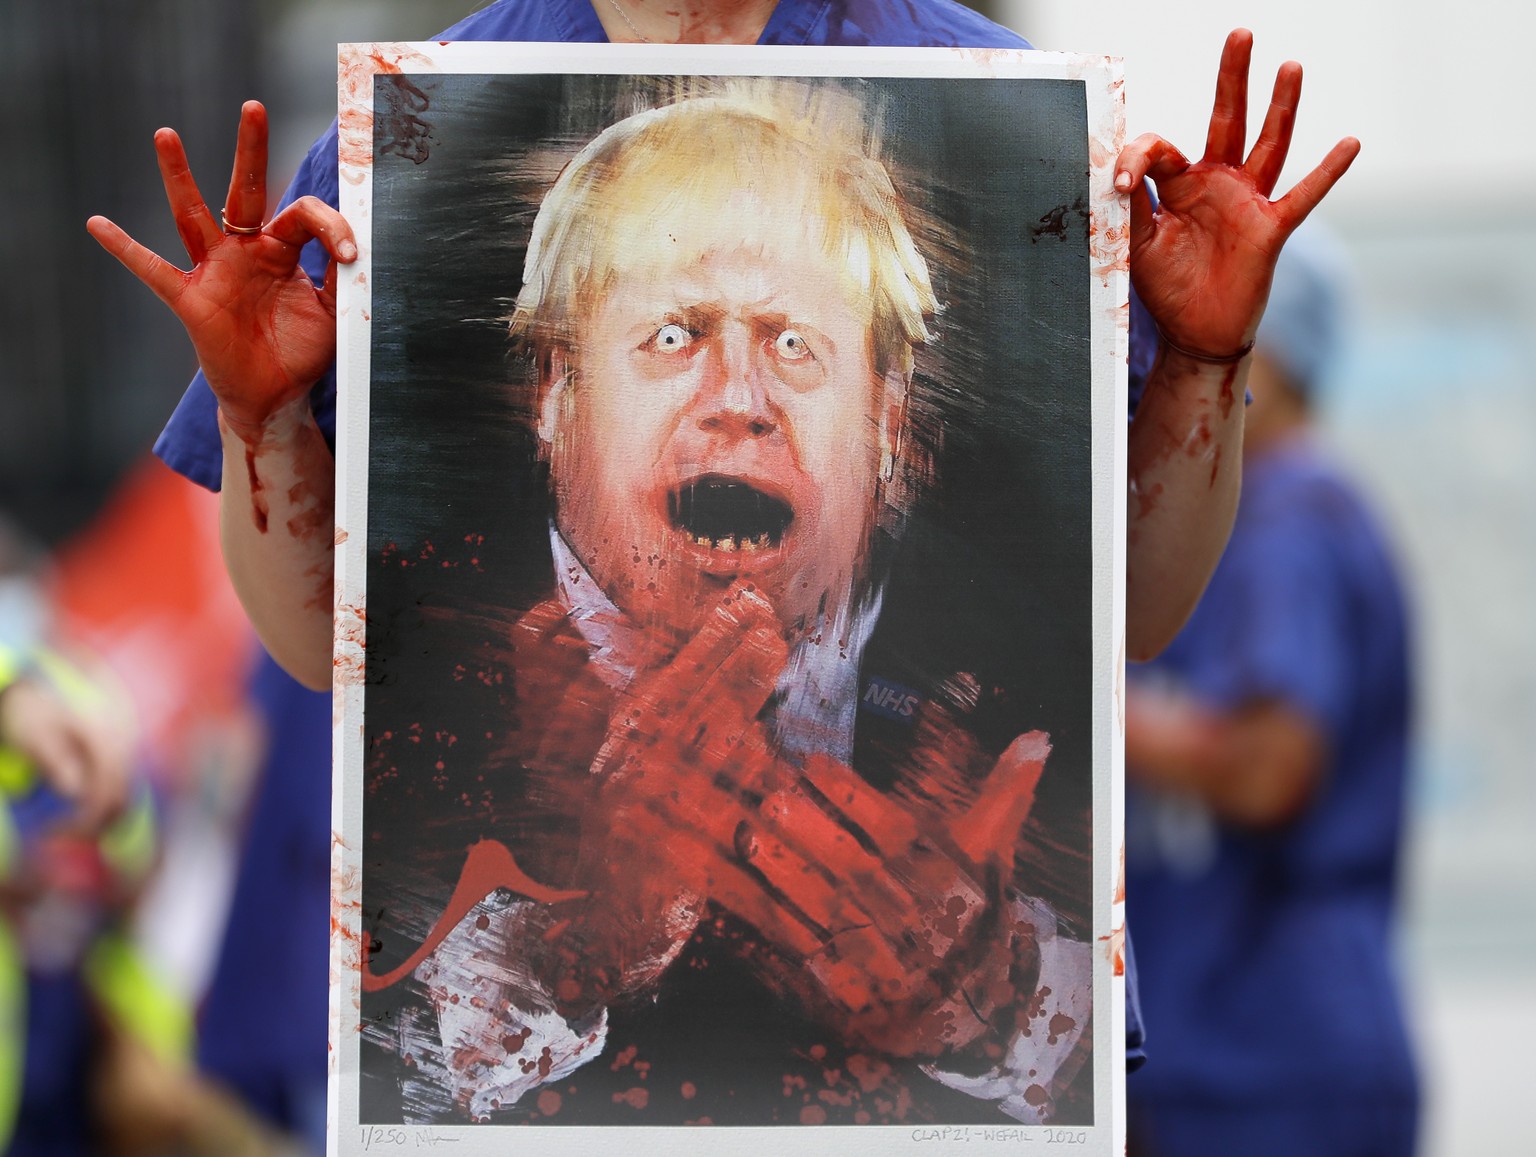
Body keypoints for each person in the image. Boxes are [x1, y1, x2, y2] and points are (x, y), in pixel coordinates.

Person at [83, 0, 1359, 1126]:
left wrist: (1202, 362)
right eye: (675, 333)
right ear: (552, 388)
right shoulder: (411, 134)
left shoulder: (1008, 102)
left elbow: (1132, 611)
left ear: (894, 417)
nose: (736, 399)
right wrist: (260, 424)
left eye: (797, 345)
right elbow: (316, 646)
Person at [1122, 230, 1418, 1157]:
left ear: (1264, 356)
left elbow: (1266, 767)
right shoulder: (1238, 518)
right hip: (1221, 1051)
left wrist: (1061, 693)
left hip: (1273, 1061)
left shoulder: (1289, 513)